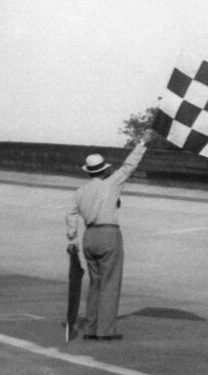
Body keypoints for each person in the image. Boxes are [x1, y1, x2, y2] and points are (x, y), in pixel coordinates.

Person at [65, 129, 154, 341]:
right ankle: (105, 330)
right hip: (108, 234)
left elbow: (71, 215)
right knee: (110, 282)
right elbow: (129, 166)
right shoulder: (111, 184)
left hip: (89, 237)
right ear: (104, 170)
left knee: (95, 283)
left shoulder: (80, 192)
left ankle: (90, 328)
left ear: (88, 172)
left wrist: (72, 239)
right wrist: (142, 142)